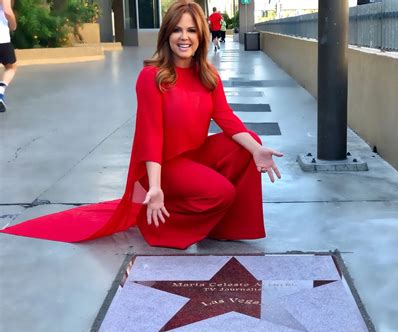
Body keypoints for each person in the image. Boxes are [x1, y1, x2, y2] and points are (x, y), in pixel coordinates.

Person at [1, 0, 283, 250]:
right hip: (166, 165)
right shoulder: (153, 78)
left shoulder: (208, 75)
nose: (184, 37)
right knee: (221, 192)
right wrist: (156, 187)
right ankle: (158, 221)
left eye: (191, 30)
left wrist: (256, 149)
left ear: (201, 36)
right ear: (167, 35)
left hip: (196, 156)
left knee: (250, 142)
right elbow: (152, 136)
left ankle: (225, 229)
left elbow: (226, 118)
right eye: (177, 30)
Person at [0, 0, 17, 112]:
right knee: (11, 67)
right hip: (1, 38)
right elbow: (7, 11)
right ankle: (0, 92)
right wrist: (13, 25)